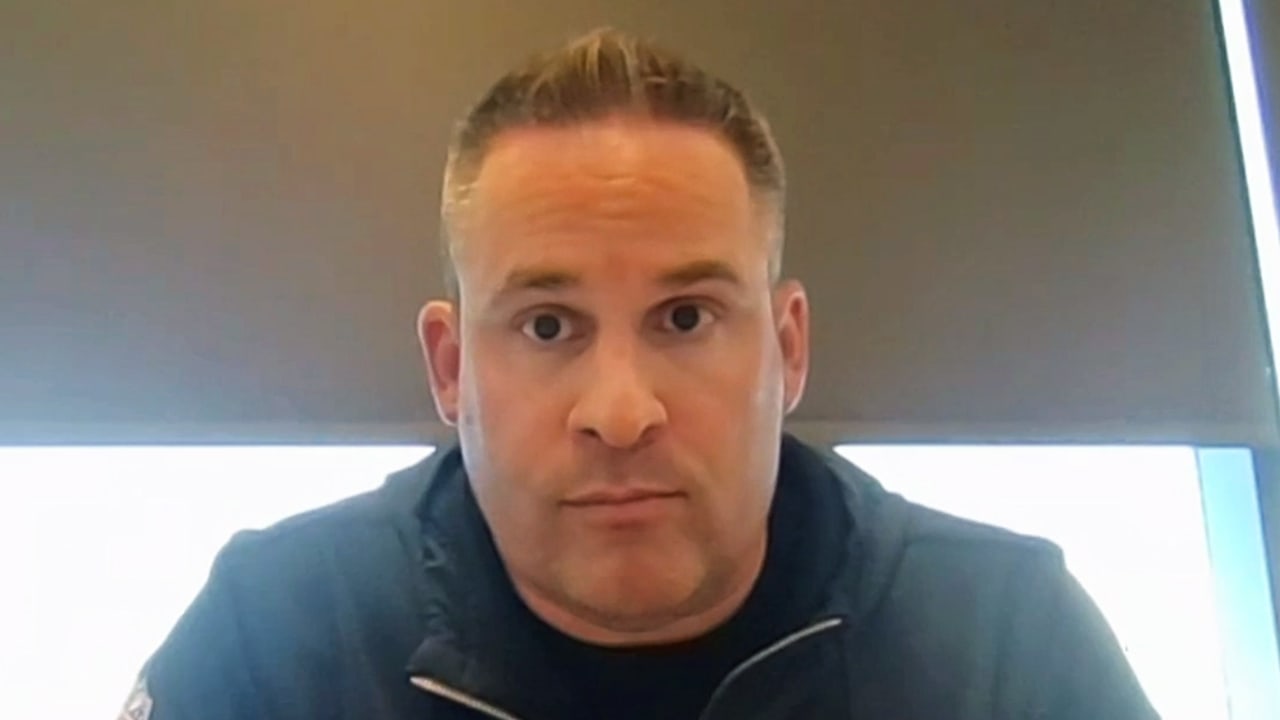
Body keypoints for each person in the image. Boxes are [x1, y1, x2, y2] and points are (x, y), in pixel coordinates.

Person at [123, 27, 1160, 720]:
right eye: (544, 326)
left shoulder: (1002, 648)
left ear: (786, 348)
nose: (620, 414)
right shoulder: (276, 637)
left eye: (684, 316)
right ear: (449, 368)